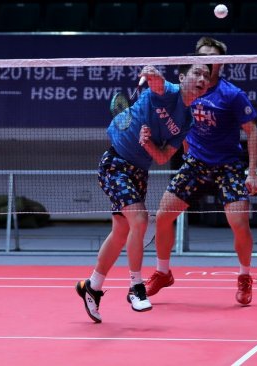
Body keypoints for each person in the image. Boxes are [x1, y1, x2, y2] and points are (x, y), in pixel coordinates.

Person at [76, 62, 211, 323]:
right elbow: (156, 79)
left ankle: (91, 287)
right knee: (139, 220)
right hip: (115, 165)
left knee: (121, 231)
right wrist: (151, 72)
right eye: (197, 72)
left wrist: (148, 142)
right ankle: (136, 288)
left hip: (140, 172)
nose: (202, 78)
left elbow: (162, 158)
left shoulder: (187, 121)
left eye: (207, 75)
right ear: (182, 77)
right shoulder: (167, 91)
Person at [145, 36, 257, 306]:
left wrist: (251, 172)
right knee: (162, 217)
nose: (207, 61)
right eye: (202, 56)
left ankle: (244, 276)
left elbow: (251, 131)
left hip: (228, 165)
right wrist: (186, 147)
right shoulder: (185, 90)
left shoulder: (232, 95)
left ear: (222, 63)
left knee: (239, 224)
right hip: (196, 162)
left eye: (212, 57)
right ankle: (163, 273)